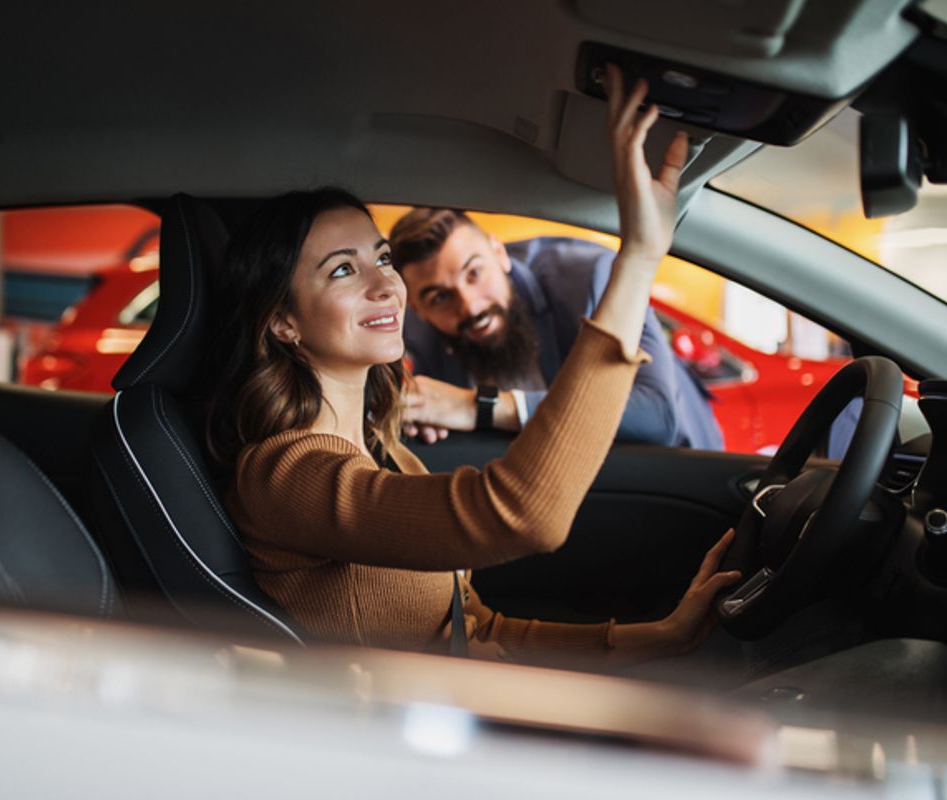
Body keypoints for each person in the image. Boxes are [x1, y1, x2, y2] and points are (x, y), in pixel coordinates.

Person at [203, 66, 739, 669]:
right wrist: (638, 257)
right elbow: (525, 516)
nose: (386, 284)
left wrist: (657, 638)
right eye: (342, 270)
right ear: (284, 323)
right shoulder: (283, 475)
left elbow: (476, 631)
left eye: (380, 258)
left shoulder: (386, 453)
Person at [390, 211, 724, 450]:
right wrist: (418, 417)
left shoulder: (591, 279)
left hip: (673, 478)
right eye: (439, 297)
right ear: (417, 309)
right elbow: (434, 416)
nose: (471, 307)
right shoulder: (417, 334)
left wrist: (478, 406)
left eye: (474, 273)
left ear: (499, 253)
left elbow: (656, 416)